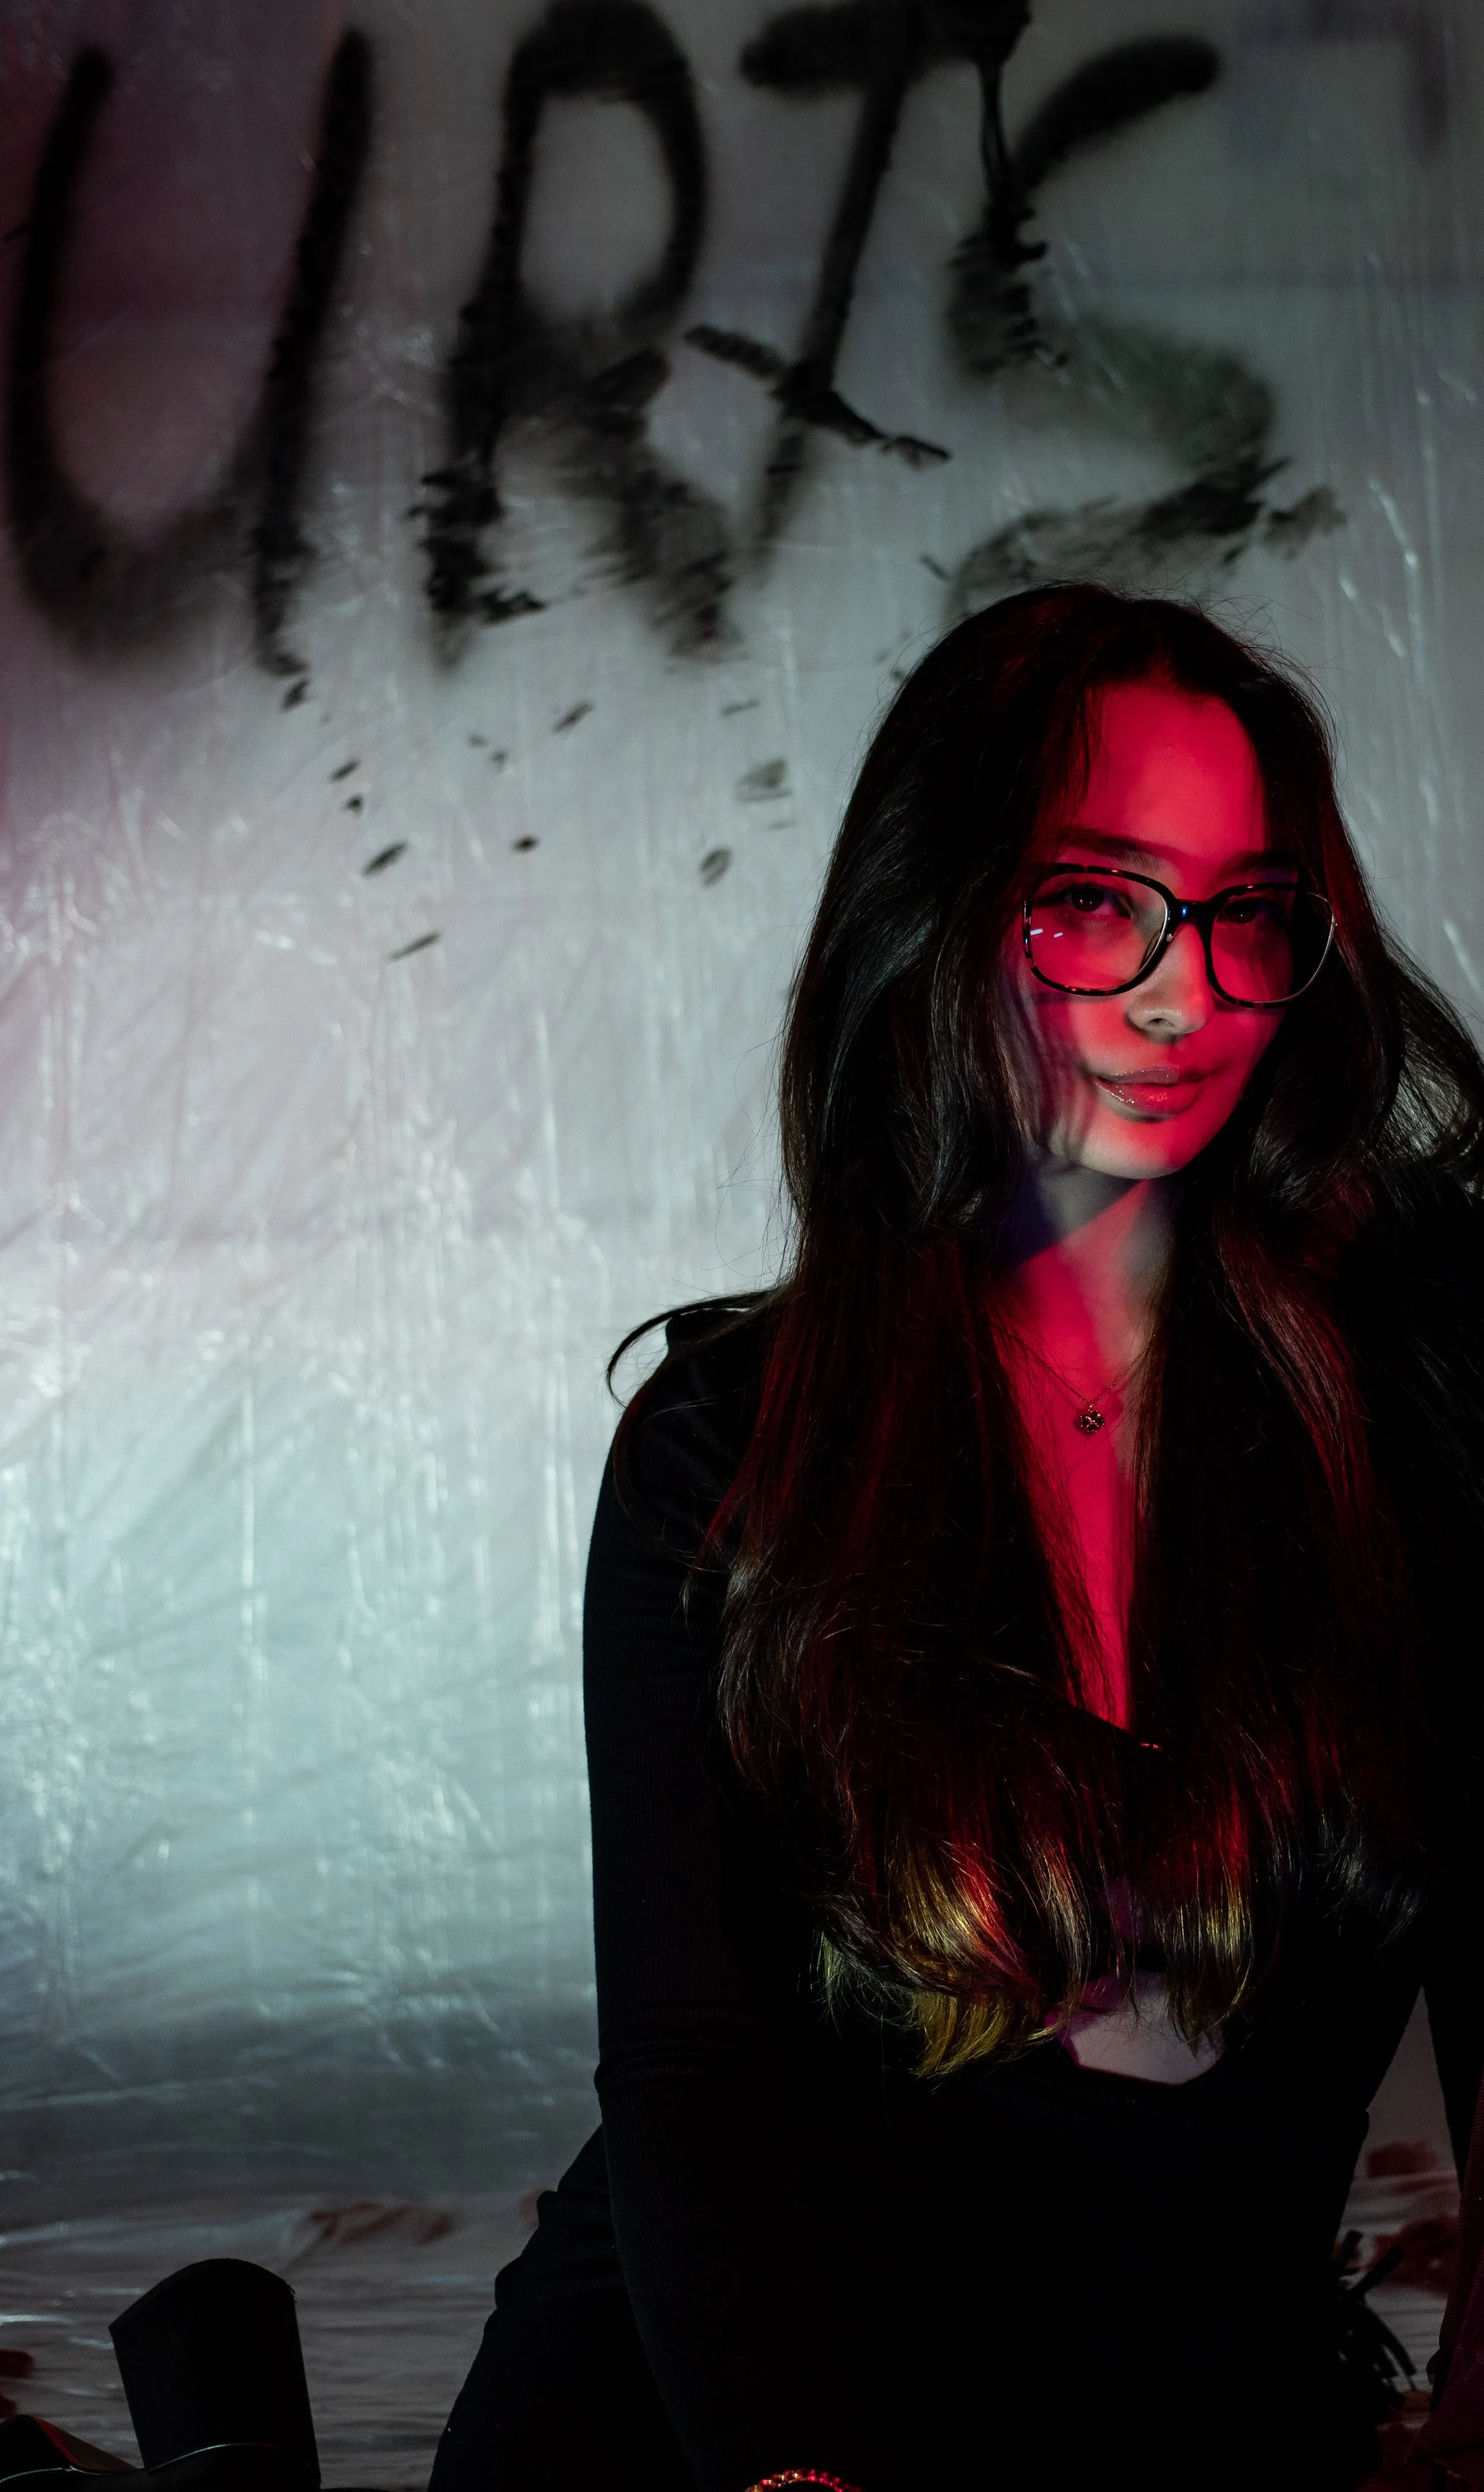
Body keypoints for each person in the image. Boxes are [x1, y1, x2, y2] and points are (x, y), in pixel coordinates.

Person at [430, 585, 1484, 2492]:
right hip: (737, 2401)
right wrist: (784, 2483)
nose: (1184, 993)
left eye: (1246, 912)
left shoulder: (1406, 1411)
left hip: (1186, 2384)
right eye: (1095, 899)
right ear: (939, 917)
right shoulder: (732, 1443)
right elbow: (687, 2068)